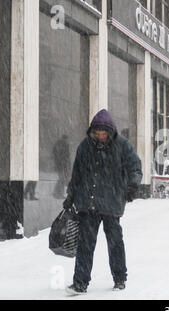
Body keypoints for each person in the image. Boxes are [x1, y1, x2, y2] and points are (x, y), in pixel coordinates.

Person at [63, 109, 142, 295]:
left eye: (103, 133)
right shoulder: (85, 146)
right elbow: (77, 174)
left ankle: (120, 278)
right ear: (92, 131)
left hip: (111, 203)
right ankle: (80, 283)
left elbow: (135, 167)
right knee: (85, 243)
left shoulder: (122, 145)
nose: (100, 136)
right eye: (97, 133)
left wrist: (132, 186)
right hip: (87, 203)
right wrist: (71, 196)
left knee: (115, 242)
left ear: (110, 131)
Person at [53, 135, 71, 199]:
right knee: (62, 179)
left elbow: (67, 156)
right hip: (60, 165)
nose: (67, 141)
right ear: (64, 139)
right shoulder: (61, 145)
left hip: (63, 165)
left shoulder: (65, 145)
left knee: (62, 179)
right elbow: (58, 155)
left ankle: (57, 193)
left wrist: (68, 164)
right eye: (67, 139)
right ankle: (58, 193)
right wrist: (62, 161)